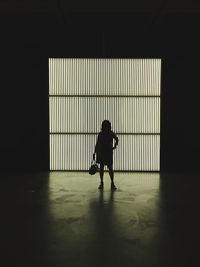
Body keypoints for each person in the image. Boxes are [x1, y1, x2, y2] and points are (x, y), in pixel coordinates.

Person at [93, 120, 119, 190]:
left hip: (102, 152)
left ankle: (102, 183)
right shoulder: (110, 133)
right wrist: (115, 146)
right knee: (109, 168)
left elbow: (97, 144)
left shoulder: (101, 134)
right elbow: (116, 139)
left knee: (103, 168)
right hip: (107, 152)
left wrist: (94, 152)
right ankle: (111, 183)